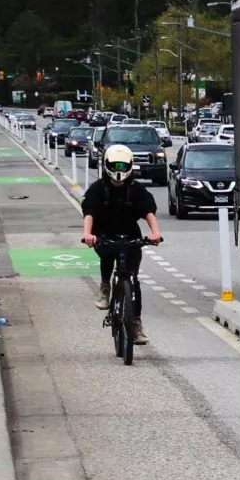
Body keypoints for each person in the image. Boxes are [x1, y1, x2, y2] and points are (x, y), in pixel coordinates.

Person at [80, 144, 161, 346]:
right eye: (114, 165)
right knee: (108, 255)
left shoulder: (135, 188)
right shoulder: (99, 188)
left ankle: (136, 323)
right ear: (106, 165)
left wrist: (155, 233)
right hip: (104, 235)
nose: (118, 170)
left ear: (130, 167)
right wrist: (88, 235)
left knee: (133, 280)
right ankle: (105, 286)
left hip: (130, 236)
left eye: (123, 166)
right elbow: (89, 212)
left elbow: (148, 211)